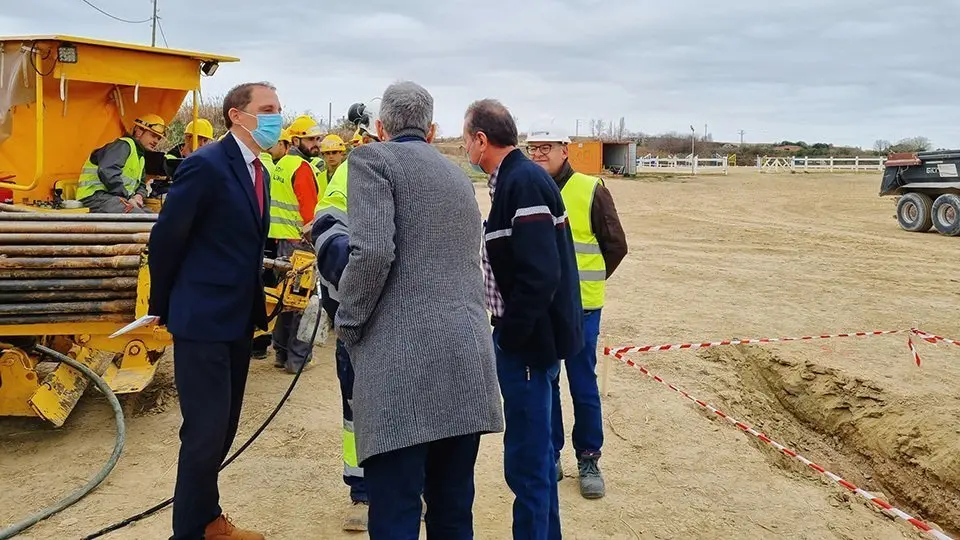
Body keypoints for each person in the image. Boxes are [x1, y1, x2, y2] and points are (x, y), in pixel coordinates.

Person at [335, 81, 503, 540]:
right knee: (452, 510)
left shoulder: (372, 160)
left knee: (395, 513)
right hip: (465, 363)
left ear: (381, 127)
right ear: (430, 130)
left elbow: (371, 254)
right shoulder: (456, 176)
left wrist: (348, 322)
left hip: (402, 372)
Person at [148, 81, 282, 540]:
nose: (275, 118)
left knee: (222, 431)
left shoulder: (258, 170)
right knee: (204, 435)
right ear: (236, 115)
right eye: (266, 109)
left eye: (278, 110)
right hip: (202, 318)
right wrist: (162, 305)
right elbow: (166, 238)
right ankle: (187, 533)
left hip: (238, 319)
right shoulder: (205, 166)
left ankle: (208, 521)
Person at [464, 99, 583, 540]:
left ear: (481, 140)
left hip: (528, 347)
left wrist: (512, 338)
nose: (464, 149)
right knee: (531, 462)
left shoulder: (522, 183)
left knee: (528, 464)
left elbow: (541, 274)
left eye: (466, 139)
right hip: (529, 344)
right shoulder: (514, 180)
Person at [526, 123, 628, 499]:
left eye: (546, 148)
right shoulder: (528, 189)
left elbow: (615, 245)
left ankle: (588, 458)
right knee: (547, 384)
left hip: (582, 309)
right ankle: (551, 455)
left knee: (583, 387)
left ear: (564, 151)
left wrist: (588, 283)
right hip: (543, 310)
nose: (538, 155)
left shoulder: (590, 189)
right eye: (533, 149)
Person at [310, 99, 381, 531]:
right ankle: (364, 491)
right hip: (357, 316)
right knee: (357, 406)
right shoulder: (347, 175)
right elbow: (330, 229)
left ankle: (417, 487)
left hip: (405, 320)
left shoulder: (422, 174)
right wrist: (358, 289)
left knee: (412, 406)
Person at [268, 116, 325, 373]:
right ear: (296, 140)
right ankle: (298, 359)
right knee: (303, 302)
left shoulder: (281, 165)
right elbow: (310, 213)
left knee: (284, 300)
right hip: (300, 244)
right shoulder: (301, 168)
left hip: (281, 242)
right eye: (311, 139)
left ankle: (281, 353)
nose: (316, 144)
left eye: (318, 139)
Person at [251, 127, 292, 360]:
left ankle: (256, 343)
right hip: (274, 236)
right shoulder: (275, 168)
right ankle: (261, 341)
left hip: (259, 235)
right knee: (268, 288)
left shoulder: (256, 168)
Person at [77, 113, 165, 213]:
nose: (156, 141)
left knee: (153, 218)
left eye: (159, 138)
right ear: (139, 131)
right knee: (139, 217)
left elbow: (141, 184)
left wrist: (139, 196)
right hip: (95, 197)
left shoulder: (140, 157)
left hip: (114, 198)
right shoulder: (123, 145)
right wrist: (127, 197)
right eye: (153, 136)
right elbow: (107, 170)